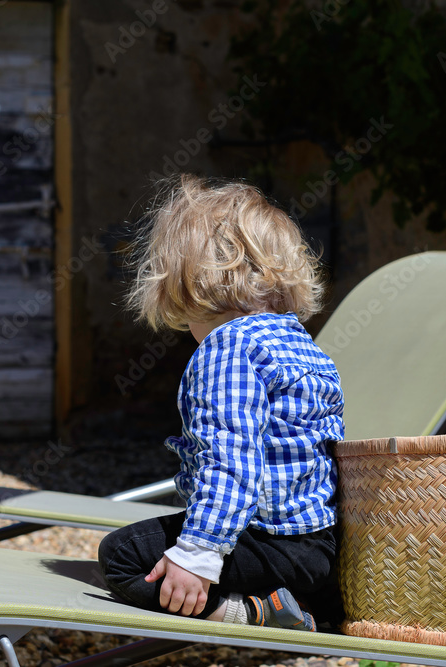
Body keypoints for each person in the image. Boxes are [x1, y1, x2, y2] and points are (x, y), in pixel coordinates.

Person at [98, 175, 345, 631]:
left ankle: (248, 612)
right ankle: (310, 604)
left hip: (268, 542)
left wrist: (198, 553)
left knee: (122, 557)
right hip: (319, 545)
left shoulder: (228, 348)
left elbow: (232, 460)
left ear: (186, 280)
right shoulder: (305, 347)